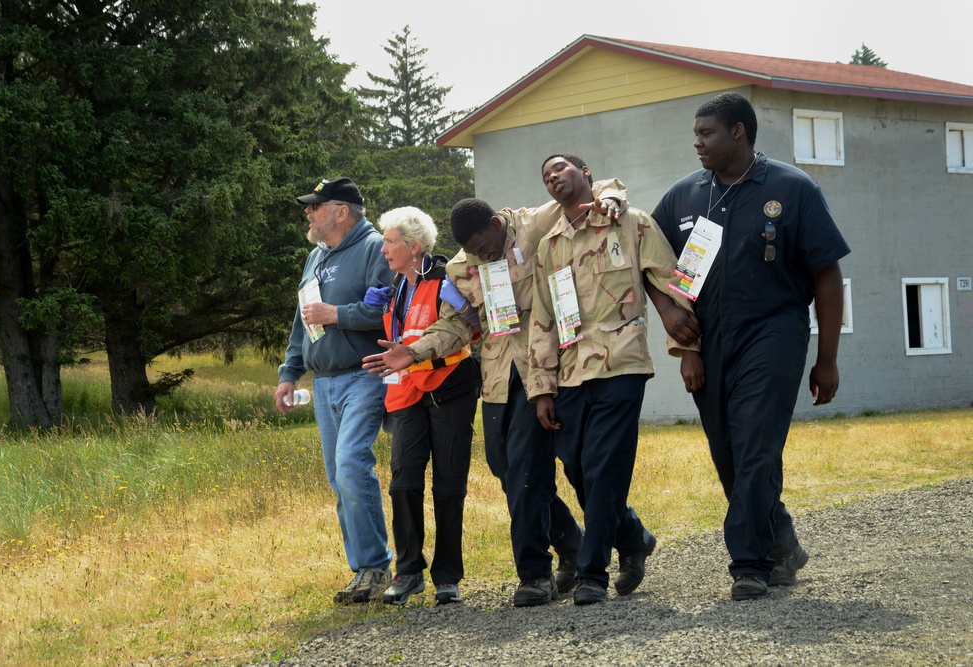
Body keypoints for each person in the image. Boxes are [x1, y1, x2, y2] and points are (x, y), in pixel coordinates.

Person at [363, 181, 634, 608]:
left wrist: (612, 197)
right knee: (504, 467)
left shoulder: (535, 222)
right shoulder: (459, 266)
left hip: (544, 367)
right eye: (472, 252)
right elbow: (457, 325)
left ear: (495, 224)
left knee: (532, 468)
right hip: (495, 374)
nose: (481, 257)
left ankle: (535, 573)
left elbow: (591, 188)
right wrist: (411, 351)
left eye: (485, 248)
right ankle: (617, 537)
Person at [650, 92, 850, 601]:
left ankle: (750, 563)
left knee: (756, 447)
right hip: (709, 342)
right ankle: (781, 539)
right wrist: (679, 333)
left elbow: (827, 275)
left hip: (773, 333)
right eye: (695, 134)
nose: (697, 143)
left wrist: (827, 359)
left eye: (706, 133)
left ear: (738, 132)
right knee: (730, 455)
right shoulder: (684, 196)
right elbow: (657, 268)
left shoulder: (792, 188)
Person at [527, 153, 701, 605]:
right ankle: (635, 537)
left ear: (586, 174)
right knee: (579, 469)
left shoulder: (631, 222)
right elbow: (543, 319)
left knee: (605, 467)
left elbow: (671, 282)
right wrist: (542, 387)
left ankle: (592, 573)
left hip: (622, 362)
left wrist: (688, 348)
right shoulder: (549, 246)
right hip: (569, 372)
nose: (552, 177)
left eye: (560, 167)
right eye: (546, 175)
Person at [276, 177, 394, 604]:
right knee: (338, 477)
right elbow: (302, 321)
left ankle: (377, 567)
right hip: (323, 382)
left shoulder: (374, 249)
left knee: (350, 464)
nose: (307, 212)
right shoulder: (314, 257)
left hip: (364, 374)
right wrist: (289, 373)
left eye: (315, 206)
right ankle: (363, 569)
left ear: (340, 211)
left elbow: (385, 310)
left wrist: (336, 314)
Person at [364, 206, 481, 606]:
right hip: (408, 394)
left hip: (449, 388)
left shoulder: (447, 278)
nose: (383, 249)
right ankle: (409, 570)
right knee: (403, 482)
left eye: (390, 241)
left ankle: (447, 576)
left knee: (449, 486)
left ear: (414, 247)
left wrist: (411, 350)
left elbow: (459, 329)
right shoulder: (396, 286)